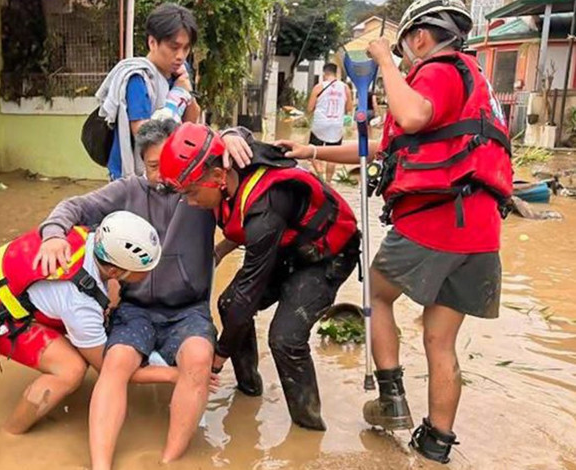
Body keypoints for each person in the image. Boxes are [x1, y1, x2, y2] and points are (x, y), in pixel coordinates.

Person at [276, 0, 512, 463]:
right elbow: (384, 145)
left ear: (419, 38)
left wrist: (384, 61)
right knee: (440, 340)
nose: (402, 57)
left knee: (378, 293)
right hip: (480, 234)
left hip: (437, 220)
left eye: (403, 47)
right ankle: (435, 445)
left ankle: (391, 399)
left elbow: (412, 118)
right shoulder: (470, 82)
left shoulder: (437, 70)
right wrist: (309, 150)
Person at [36, 119, 253, 468]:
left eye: (170, 165)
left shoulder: (200, 188)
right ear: (142, 164)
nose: (166, 176)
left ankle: (169, 460)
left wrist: (231, 135)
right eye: (154, 167)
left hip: (189, 309)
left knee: (198, 359)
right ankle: (101, 464)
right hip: (135, 308)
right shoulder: (127, 191)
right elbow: (73, 207)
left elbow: (242, 158)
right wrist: (53, 235)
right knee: (116, 363)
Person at [158, 122, 361, 431]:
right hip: (289, 245)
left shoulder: (266, 206)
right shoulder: (232, 162)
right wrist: (224, 249)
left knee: (285, 338)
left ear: (217, 177)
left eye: (192, 193)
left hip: (327, 255)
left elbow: (249, 294)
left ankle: (307, 431)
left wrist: (218, 357)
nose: (190, 202)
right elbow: (240, 141)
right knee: (227, 304)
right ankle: (249, 389)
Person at [0, 211, 172, 434]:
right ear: (114, 269)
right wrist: (173, 375)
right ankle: (11, 432)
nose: (150, 273)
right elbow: (110, 369)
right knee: (71, 369)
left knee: (111, 296)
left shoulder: (89, 236)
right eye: (144, 271)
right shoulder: (79, 304)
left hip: (2, 286)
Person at [95, 2, 201, 180]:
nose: (180, 56)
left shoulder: (180, 72)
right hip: (134, 176)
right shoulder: (138, 78)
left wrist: (185, 92)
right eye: (174, 47)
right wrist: (177, 97)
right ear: (152, 42)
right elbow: (145, 135)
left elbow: (190, 121)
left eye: (186, 48)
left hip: (167, 171)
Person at [307, 63, 352, 184]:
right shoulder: (345, 88)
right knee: (332, 155)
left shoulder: (319, 87)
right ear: (336, 73)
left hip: (319, 124)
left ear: (324, 74)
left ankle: (320, 175)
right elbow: (349, 108)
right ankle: (328, 182)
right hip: (336, 124)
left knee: (312, 151)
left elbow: (310, 108)